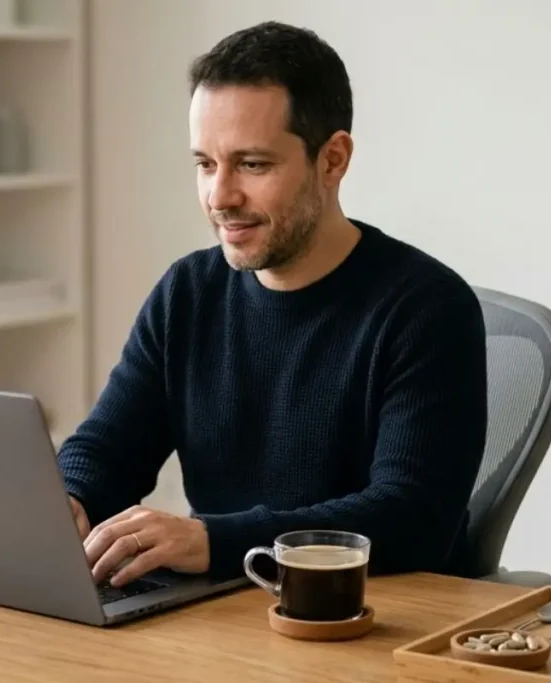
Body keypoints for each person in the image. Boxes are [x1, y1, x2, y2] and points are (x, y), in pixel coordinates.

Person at [57, 20, 488, 588]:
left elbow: (411, 517)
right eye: (205, 164)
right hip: (219, 618)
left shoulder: (427, 309)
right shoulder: (187, 292)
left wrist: (214, 542)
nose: (220, 196)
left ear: (332, 160)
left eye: (252, 165)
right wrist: (70, 499)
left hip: (370, 626)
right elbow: (108, 449)